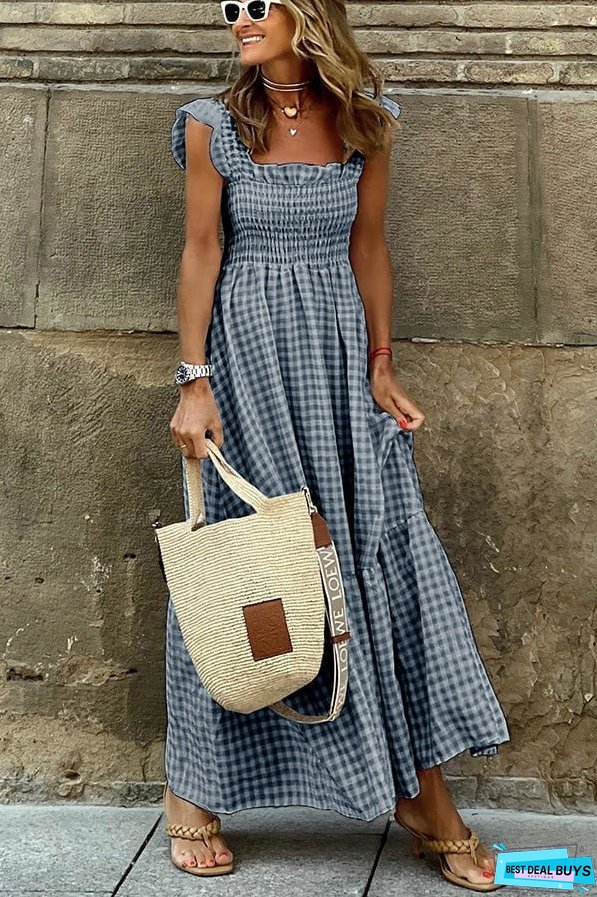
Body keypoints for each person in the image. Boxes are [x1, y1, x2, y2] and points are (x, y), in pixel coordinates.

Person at [162, 0, 511, 889]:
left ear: (307, 13)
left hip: (340, 358)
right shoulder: (212, 125)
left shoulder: (366, 122)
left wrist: (382, 364)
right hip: (248, 357)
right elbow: (201, 251)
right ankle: (192, 789)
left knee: (370, 550)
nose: (239, 20)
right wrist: (194, 382)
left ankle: (417, 790)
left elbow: (369, 248)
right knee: (247, 562)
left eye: (256, 5)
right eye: (229, 8)